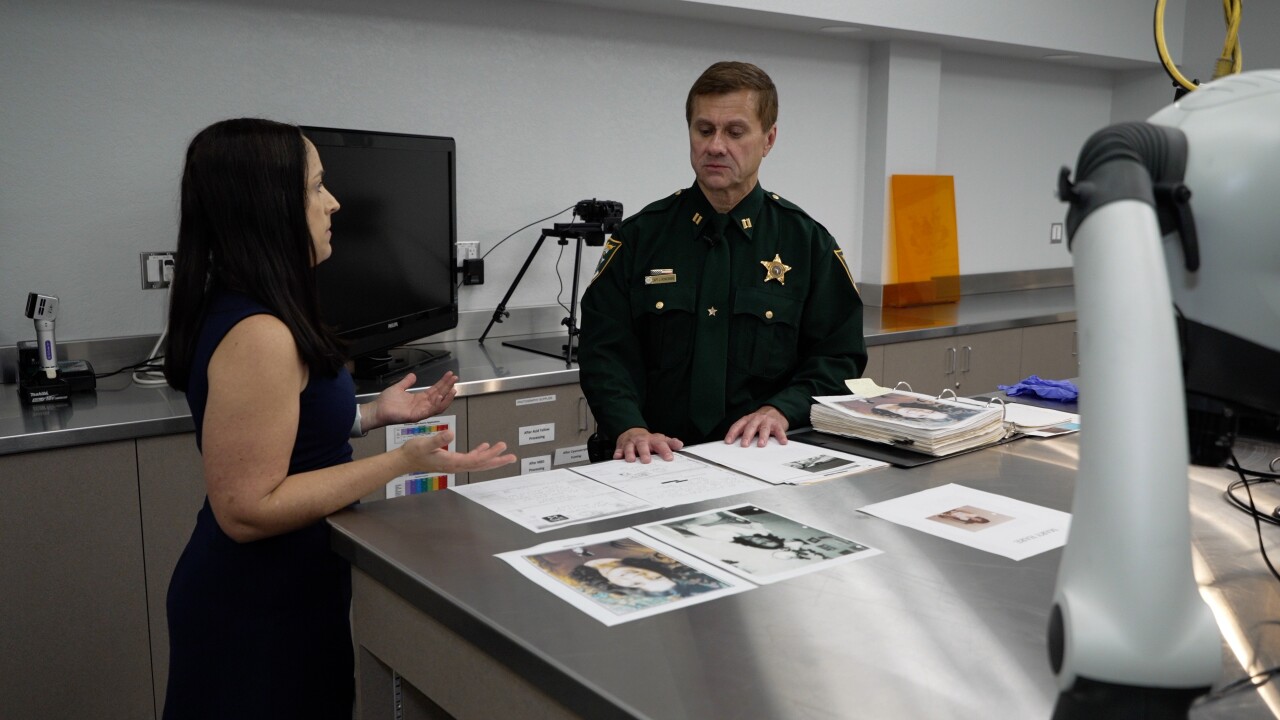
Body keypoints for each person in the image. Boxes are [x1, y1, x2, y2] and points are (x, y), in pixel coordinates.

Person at [160, 118, 515, 719]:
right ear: (269, 206)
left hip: (298, 590)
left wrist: (371, 415)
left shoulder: (258, 307)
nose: (334, 202)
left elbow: (284, 433)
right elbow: (247, 508)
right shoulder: (260, 335)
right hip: (254, 610)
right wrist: (400, 460)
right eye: (317, 186)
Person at [579, 60, 867, 463]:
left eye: (735, 132)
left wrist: (782, 410)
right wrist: (629, 426)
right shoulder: (640, 238)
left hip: (765, 459)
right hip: (652, 459)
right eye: (704, 130)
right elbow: (603, 351)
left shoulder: (807, 244)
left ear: (768, 140)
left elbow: (839, 358)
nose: (716, 145)